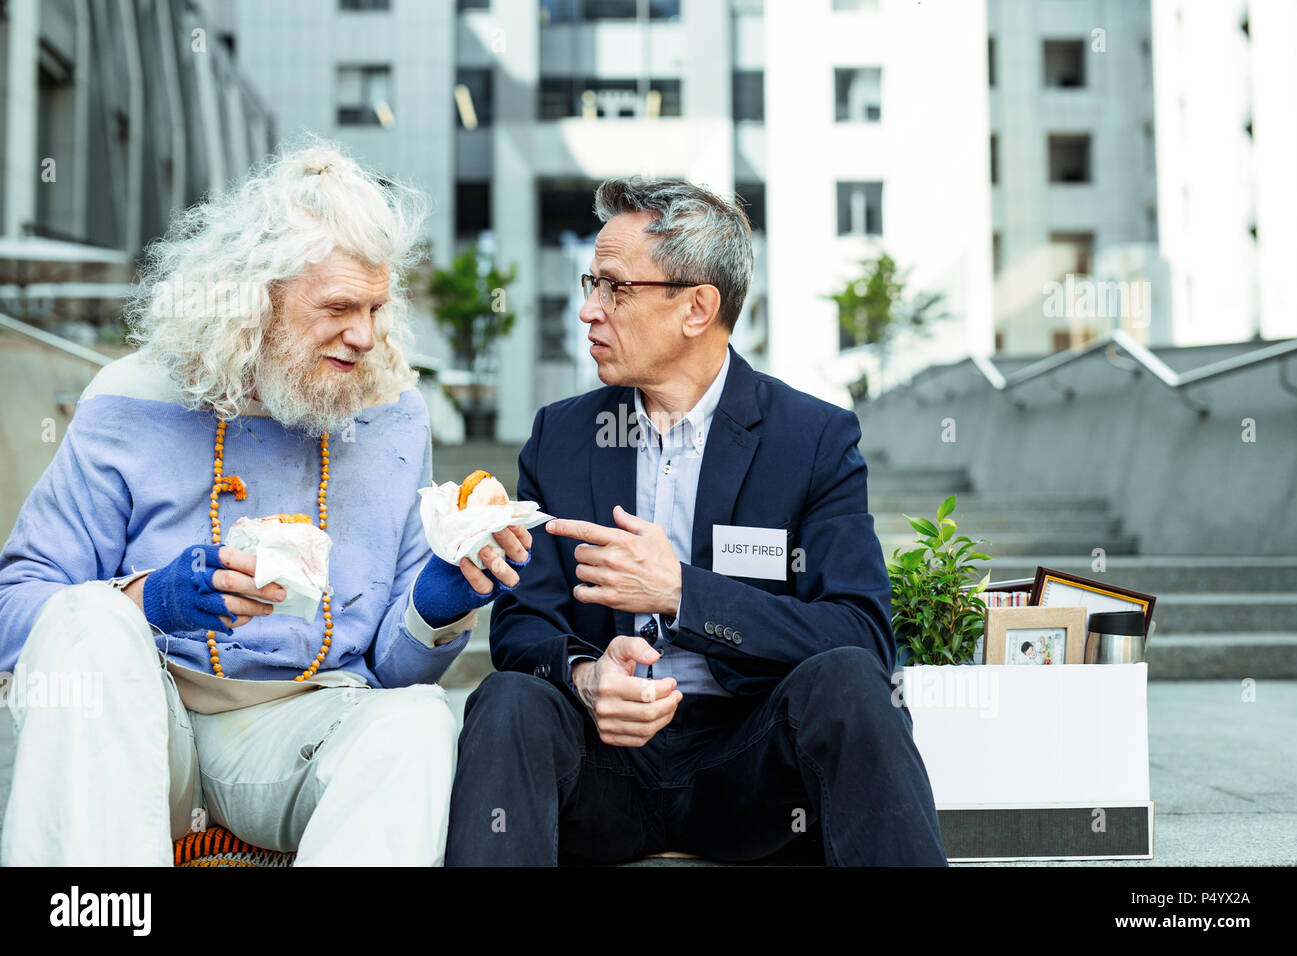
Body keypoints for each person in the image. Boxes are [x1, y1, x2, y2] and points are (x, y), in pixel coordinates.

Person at [0, 141, 531, 866]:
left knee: (416, 721)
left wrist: (435, 606)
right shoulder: (130, 399)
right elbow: (18, 610)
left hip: (306, 732)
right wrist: (148, 599)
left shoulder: (393, 414)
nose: (366, 336)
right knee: (87, 619)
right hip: (145, 734)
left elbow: (395, 669)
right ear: (254, 300)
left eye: (376, 306)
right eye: (340, 307)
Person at [445, 178, 946, 866]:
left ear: (697, 308)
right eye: (592, 284)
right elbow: (524, 625)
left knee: (854, 687)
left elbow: (859, 633)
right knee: (506, 700)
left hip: (751, 771)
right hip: (604, 769)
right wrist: (587, 677)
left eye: (616, 289)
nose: (588, 310)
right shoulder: (561, 438)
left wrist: (684, 592)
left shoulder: (812, 439)